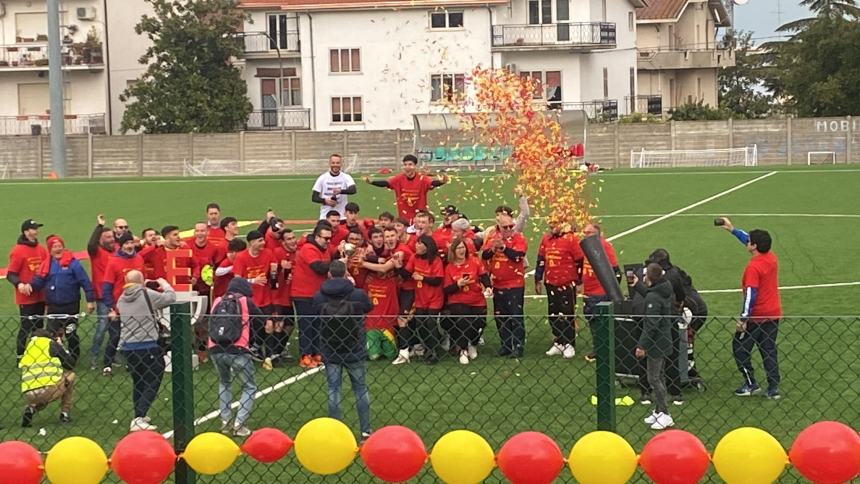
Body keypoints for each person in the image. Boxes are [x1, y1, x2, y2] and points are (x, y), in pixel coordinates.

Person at [719, 217, 782, 399]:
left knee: (740, 348)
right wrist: (732, 230)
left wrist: (743, 319)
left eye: (750, 241)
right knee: (768, 349)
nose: (747, 241)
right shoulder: (771, 257)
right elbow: (749, 239)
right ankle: (773, 387)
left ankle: (750, 383)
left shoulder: (753, 267)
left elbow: (750, 295)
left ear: (754, 246)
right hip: (773, 314)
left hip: (756, 317)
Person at [312, 260, 373, 442]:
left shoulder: (319, 296)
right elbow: (369, 308)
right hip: (354, 347)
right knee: (360, 389)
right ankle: (365, 431)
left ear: (329, 274)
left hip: (330, 349)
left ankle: (336, 431)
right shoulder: (358, 294)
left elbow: (315, 318)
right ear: (346, 273)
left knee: (333, 389)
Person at [116, 271, 176, 431]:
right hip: (147, 344)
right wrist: (164, 283)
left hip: (128, 346)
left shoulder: (121, 299)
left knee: (139, 381)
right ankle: (139, 417)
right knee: (153, 378)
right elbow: (170, 298)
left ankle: (139, 414)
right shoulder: (147, 294)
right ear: (141, 281)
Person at [30, 235, 96, 366]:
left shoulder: (73, 263)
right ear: (50, 249)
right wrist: (27, 287)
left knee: (70, 333)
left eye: (60, 246)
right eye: (55, 247)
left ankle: (73, 357)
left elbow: (85, 281)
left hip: (71, 306)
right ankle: (55, 358)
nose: (58, 249)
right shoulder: (46, 265)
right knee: (51, 334)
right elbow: (38, 282)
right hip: (53, 307)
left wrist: (90, 300)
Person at [209, 278, 263, 437]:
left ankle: (225, 421)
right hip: (238, 348)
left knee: (224, 382)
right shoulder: (245, 301)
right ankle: (239, 423)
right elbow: (261, 319)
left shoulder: (217, 300)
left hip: (215, 347)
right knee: (249, 386)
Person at [634, 263, 676, 430]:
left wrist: (642, 345)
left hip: (656, 343)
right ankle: (659, 410)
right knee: (660, 376)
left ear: (650, 278)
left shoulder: (654, 297)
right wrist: (637, 285)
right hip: (664, 339)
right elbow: (651, 295)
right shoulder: (663, 290)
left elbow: (651, 324)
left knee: (654, 378)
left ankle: (665, 413)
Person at [393, 235, 445, 365]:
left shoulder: (435, 260)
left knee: (430, 322)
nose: (417, 245)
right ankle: (429, 346)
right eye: (417, 243)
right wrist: (399, 267)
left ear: (428, 247)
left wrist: (423, 278)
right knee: (420, 324)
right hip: (421, 298)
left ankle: (432, 352)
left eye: (420, 244)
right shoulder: (414, 258)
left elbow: (438, 280)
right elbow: (407, 274)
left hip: (434, 298)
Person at [535, 221, 583, 359]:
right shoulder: (546, 239)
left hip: (567, 283)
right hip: (550, 282)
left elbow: (579, 260)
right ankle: (559, 341)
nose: (551, 229)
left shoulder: (571, 239)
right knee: (553, 313)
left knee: (568, 314)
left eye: (554, 226)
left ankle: (569, 344)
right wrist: (538, 278)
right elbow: (541, 259)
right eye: (550, 226)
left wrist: (579, 281)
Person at [482, 214, 527, 358]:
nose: (508, 229)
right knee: (500, 316)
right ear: (498, 226)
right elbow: (484, 256)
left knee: (515, 315)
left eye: (510, 226)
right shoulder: (492, 237)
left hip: (515, 283)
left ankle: (518, 346)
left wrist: (503, 248)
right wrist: (492, 249)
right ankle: (506, 345)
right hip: (498, 283)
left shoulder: (518, 238)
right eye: (505, 227)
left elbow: (518, 256)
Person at [101, 232, 146, 376]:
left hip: (137, 305)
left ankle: (132, 364)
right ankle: (107, 364)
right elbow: (107, 286)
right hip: (119, 306)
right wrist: (111, 308)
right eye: (126, 244)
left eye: (131, 243)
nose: (129, 246)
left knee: (134, 336)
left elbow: (143, 282)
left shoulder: (139, 259)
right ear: (121, 246)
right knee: (115, 336)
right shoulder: (114, 261)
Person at [292, 223, 335, 368]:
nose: (328, 242)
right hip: (303, 293)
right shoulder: (308, 249)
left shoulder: (323, 248)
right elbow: (319, 268)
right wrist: (335, 263)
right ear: (317, 237)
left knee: (318, 325)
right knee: (306, 325)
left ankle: (316, 353)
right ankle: (305, 356)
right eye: (325, 238)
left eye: (330, 238)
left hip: (317, 294)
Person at [444, 237, 491, 364]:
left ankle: (473, 344)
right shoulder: (449, 267)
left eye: (463, 247)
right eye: (458, 248)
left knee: (479, 323)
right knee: (463, 322)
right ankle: (463, 350)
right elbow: (446, 289)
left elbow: (483, 276)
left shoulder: (475, 262)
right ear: (453, 251)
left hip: (476, 299)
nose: (461, 250)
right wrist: (457, 284)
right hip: (458, 301)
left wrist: (488, 287)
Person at [8, 219, 49, 361]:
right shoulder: (18, 251)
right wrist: (19, 285)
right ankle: (20, 355)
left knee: (39, 327)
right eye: (33, 229)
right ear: (26, 232)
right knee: (25, 327)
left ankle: (36, 354)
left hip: (41, 296)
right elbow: (11, 274)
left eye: (37, 228)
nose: (36, 231)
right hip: (26, 297)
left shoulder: (42, 249)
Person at [231, 231, 276, 360]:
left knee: (268, 325)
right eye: (260, 240)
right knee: (251, 328)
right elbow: (236, 280)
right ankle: (252, 349)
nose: (264, 243)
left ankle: (269, 355)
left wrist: (275, 271)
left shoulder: (268, 254)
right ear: (251, 242)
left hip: (265, 298)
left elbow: (273, 271)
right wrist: (253, 281)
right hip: (249, 300)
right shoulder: (241, 257)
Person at [19, 323, 76, 427]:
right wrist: (61, 346)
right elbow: (70, 364)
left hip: (29, 393)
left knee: (41, 396)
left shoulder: (29, 348)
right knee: (71, 376)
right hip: (48, 389)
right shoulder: (51, 344)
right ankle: (65, 413)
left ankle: (31, 409)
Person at [581, 222, 621, 363]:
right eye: (584, 232)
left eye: (589, 233)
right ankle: (599, 348)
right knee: (592, 322)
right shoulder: (586, 247)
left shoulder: (604, 246)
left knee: (599, 323)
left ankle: (601, 350)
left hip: (599, 292)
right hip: (588, 292)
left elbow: (616, 271)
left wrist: (611, 293)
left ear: (597, 233)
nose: (585, 235)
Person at [365, 154, 448, 221]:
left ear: (415, 166)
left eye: (410, 164)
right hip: (404, 218)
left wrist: (442, 182)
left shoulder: (422, 178)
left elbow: (432, 183)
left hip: (420, 217)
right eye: (405, 165)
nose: (407, 167)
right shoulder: (399, 178)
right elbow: (386, 183)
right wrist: (371, 182)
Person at [311, 153, 357, 219]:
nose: (335, 165)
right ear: (329, 164)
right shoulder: (322, 178)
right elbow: (314, 197)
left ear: (341, 164)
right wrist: (325, 201)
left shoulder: (346, 177)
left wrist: (340, 191)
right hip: (325, 216)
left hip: (341, 217)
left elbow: (353, 190)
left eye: (338, 163)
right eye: (333, 163)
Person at [189, 222, 227, 298]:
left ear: (208, 232)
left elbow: (217, 266)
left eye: (202, 231)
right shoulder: (187, 245)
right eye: (197, 231)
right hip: (190, 285)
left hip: (206, 287)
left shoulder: (214, 248)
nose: (199, 233)